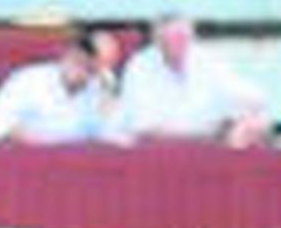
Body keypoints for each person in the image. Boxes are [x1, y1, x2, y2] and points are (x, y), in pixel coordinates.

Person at [110, 14, 269, 147]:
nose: (180, 44)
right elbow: (147, 131)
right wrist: (209, 135)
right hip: (154, 151)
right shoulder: (140, 66)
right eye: (171, 39)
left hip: (206, 145)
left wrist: (248, 120)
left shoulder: (207, 60)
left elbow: (250, 98)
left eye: (184, 38)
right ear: (158, 41)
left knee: (254, 124)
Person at [0, 31, 110, 145]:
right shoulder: (29, 80)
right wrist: (22, 137)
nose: (85, 58)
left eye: (93, 60)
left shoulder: (101, 91)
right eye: (84, 48)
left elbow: (110, 139)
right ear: (69, 49)